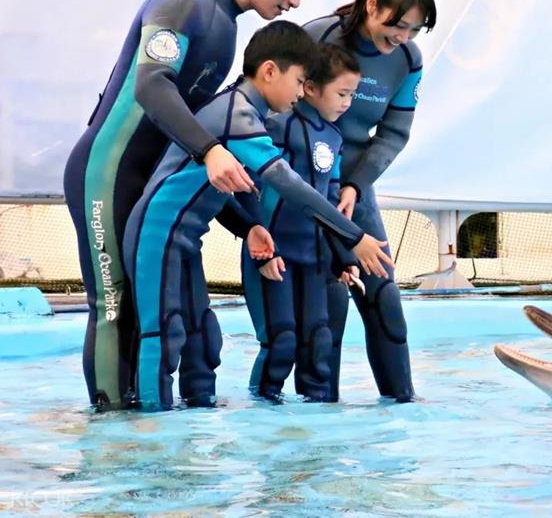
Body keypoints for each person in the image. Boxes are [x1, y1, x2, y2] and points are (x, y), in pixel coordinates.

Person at [63, 0, 328, 410]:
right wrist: (209, 149)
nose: (295, 2)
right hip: (108, 171)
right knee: (115, 306)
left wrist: (242, 224)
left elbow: (189, 150)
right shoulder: (185, 3)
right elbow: (151, 85)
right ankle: (109, 436)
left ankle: (139, 431)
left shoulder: (225, 28)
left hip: (147, 179)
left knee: (158, 315)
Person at [122, 21, 393, 412]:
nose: (302, 93)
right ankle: (152, 437)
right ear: (269, 71)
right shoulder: (238, 114)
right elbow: (290, 185)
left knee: (203, 340)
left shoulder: (245, 111)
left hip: (183, 240)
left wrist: (249, 227)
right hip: (156, 235)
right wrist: (354, 237)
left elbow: (208, 190)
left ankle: (189, 437)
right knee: (162, 334)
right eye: (299, 81)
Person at [303, 0, 436, 402]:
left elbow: (393, 134)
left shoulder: (407, 60)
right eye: (397, 25)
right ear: (372, 5)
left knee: (385, 300)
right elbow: (278, 113)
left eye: (414, 30)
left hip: (355, 187)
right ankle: (322, 417)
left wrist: (355, 186)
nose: (402, 36)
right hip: (305, 185)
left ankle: (403, 409)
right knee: (330, 302)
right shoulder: (319, 39)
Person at [242, 43, 363, 402]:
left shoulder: (335, 137)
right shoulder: (278, 126)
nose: (347, 103)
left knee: (318, 342)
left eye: (352, 95)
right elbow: (251, 188)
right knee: (282, 342)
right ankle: (263, 418)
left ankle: (316, 434)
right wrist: (263, 253)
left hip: (315, 258)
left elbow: (329, 203)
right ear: (310, 88)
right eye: (342, 93)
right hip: (274, 255)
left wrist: (343, 256)